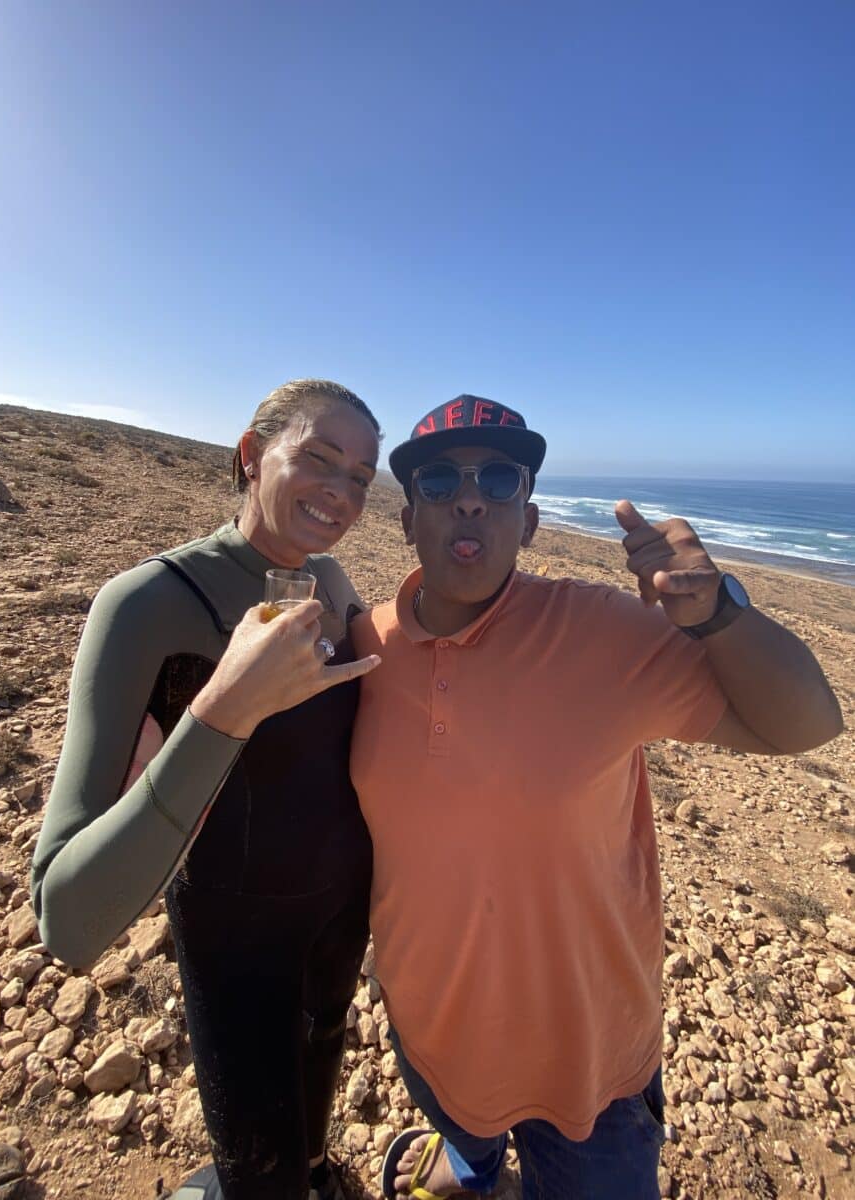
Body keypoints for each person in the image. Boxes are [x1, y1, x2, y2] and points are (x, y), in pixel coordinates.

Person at [349, 395, 843, 1200]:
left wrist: (719, 612)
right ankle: (471, 1161)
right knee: (460, 1121)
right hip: (431, 1020)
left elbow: (808, 724)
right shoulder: (366, 646)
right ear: (406, 520)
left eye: (498, 479)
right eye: (439, 482)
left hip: (587, 1058)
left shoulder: (602, 631)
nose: (469, 498)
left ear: (531, 521)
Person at [31, 379, 383, 1200]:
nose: (343, 491)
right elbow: (65, 919)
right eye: (320, 458)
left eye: (363, 477)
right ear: (252, 457)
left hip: (341, 918)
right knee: (257, 1164)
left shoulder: (332, 583)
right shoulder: (149, 603)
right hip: (237, 934)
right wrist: (225, 711)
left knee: (313, 1108)